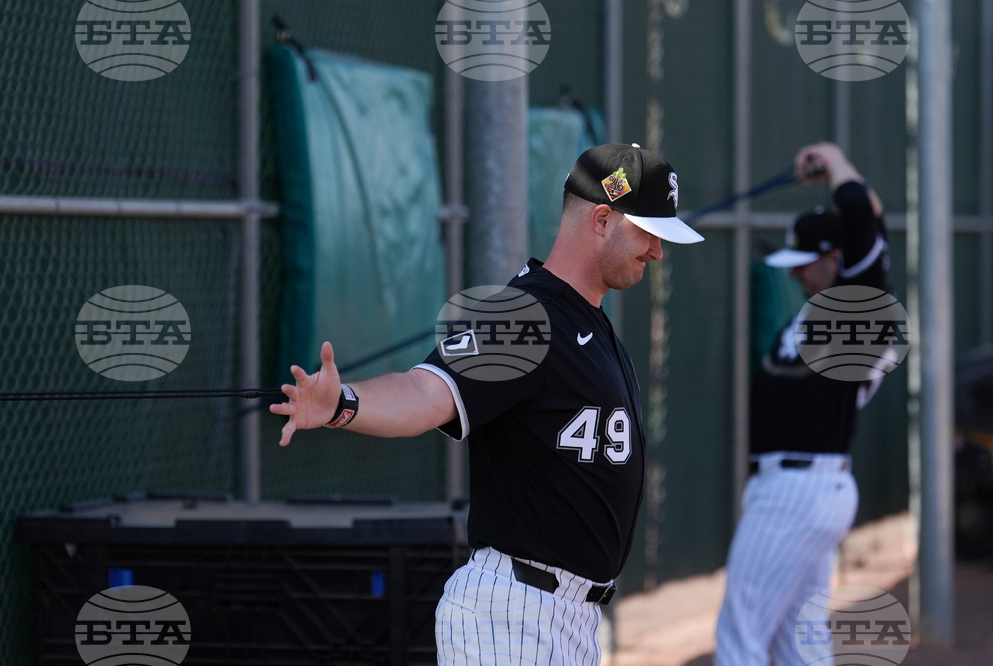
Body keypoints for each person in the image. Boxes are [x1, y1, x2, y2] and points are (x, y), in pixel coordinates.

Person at [271, 143, 704, 665]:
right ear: (602, 219)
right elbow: (426, 391)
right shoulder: (525, 318)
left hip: (569, 620)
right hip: (514, 615)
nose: (658, 251)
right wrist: (345, 402)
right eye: (649, 233)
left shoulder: (590, 321)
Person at [715, 142, 891, 665]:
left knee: (740, 635)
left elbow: (862, 216)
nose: (793, 275)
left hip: (799, 488)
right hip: (797, 487)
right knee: (799, 641)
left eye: (804, 263)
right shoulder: (821, 312)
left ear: (837, 258)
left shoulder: (858, 310)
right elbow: (870, 216)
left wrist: (835, 161)